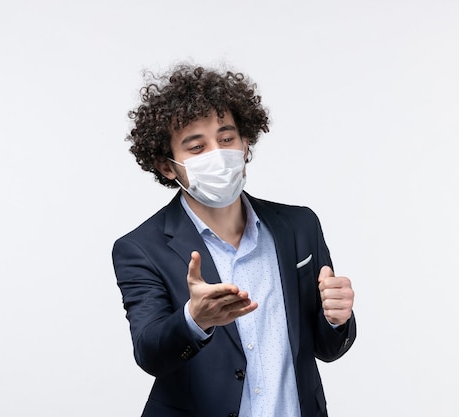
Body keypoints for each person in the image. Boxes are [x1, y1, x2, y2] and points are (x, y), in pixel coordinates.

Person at [112, 64, 356, 417]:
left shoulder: (300, 226)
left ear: (245, 142)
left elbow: (326, 347)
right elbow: (150, 354)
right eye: (196, 147)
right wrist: (194, 319)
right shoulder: (139, 248)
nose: (218, 154)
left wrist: (337, 318)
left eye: (226, 139)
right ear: (168, 167)